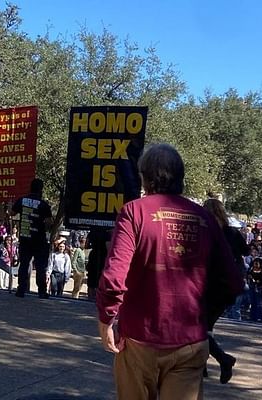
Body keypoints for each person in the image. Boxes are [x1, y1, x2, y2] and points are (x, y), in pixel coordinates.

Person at [95, 143, 243, 400]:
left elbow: (113, 277)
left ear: (145, 177)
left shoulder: (134, 212)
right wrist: (203, 316)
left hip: (139, 340)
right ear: (181, 178)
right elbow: (232, 282)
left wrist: (106, 319)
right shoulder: (204, 218)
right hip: (189, 341)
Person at [201, 198, 248, 383]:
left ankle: (223, 359)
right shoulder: (232, 232)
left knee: (198, 327)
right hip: (230, 287)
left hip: (212, 285)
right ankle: (202, 365)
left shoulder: (208, 231)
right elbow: (246, 251)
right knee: (207, 327)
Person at [11, 178, 53, 299]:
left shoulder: (22, 200)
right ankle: (41, 291)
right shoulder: (44, 204)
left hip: (25, 237)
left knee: (24, 264)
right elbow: (49, 222)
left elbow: (12, 213)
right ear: (41, 189)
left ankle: (21, 290)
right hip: (39, 239)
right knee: (40, 266)